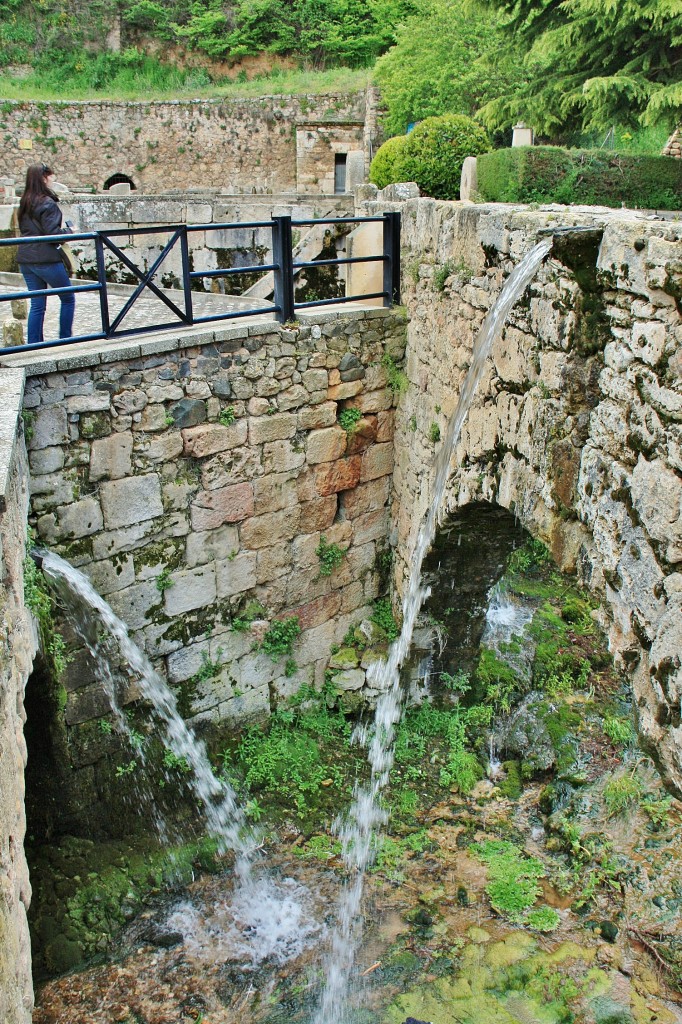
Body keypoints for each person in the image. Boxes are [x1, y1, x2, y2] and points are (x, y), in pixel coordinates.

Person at [17, 164, 75, 345]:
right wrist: (69, 231)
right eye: (50, 175)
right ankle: (65, 340)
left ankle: (35, 345)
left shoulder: (25, 201)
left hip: (26, 258)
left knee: (37, 304)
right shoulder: (47, 203)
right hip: (46, 259)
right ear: (44, 178)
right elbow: (52, 234)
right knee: (68, 298)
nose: (52, 178)